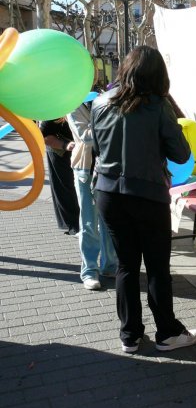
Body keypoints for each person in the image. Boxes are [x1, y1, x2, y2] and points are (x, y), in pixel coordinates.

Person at [91, 46, 196, 354]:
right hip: (147, 194)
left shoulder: (100, 103)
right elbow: (181, 153)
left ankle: (130, 335)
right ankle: (167, 332)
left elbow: (98, 149)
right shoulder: (158, 106)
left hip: (109, 193)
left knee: (126, 264)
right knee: (156, 266)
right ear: (158, 76)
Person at [66, 101, 118, 291]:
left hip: (106, 168)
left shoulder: (102, 99)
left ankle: (109, 265)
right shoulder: (72, 104)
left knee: (108, 219)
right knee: (89, 222)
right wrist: (111, 126)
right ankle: (89, 271)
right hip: (85, 169)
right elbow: (84, 136)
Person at [40, 118, 79, 235]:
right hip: (60, 150)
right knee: (65, 187)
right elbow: (43, 135)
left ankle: (81, 223)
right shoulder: (54, 110)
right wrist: (65, 145)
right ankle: (73, 225)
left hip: (79, 149)